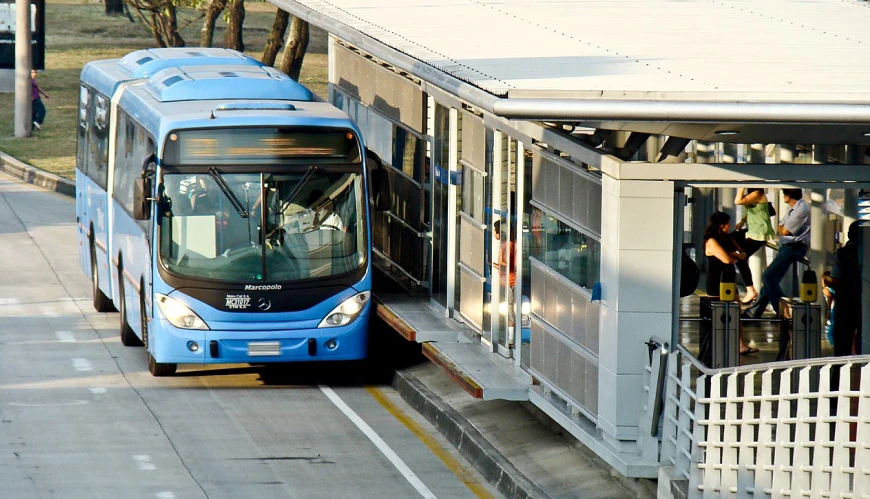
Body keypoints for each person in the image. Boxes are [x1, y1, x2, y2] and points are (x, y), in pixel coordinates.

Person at [743, 188, 810, 319]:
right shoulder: (793, 208)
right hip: (787, 246)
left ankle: (783, 310)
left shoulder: (801, 209)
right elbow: (781, 225)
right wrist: (782, 227)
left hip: (794, 248)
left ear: (789, 195)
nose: (783, 196)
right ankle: (754, 312)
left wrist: (782, 227)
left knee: (768, 277)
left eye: (784, 194)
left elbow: (784, 231)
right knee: (770, 281)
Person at [703, 211, 756, 355]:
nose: (730, 226)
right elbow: (727, 259)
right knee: (720, 314)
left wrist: (733, 255)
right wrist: (733, 256)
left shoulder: (727, 239)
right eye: (727, 224)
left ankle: (740, 345)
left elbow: (742, 254)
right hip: (717, 282)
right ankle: (718, 344)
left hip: (730, 281)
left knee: (736, 312)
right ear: (721, 225)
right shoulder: (711, 241)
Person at [732, 187, 777, 304]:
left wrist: (741, 186)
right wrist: (742, 221)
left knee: (740, 259)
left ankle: (750, 290)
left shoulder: (757, 193)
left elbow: (737, 201)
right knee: (729, 239)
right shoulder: (753, 194)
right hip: (752, 230)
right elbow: (751, 210)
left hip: (760, 233)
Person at [831, 221, 861, 356]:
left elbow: (836, 278)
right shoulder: (866, 253)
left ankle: (838, 374)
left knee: (842, 344)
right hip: (863, 302)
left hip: (845, 302)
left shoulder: (841, 254)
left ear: (849, 235)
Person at [822, 271, 835, 348]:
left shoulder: (826, 290)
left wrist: (828, 311)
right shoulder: (833, 289)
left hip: (833, 310)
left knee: (830, 333)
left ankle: (834, 345)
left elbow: (829, 299)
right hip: (837, 309)